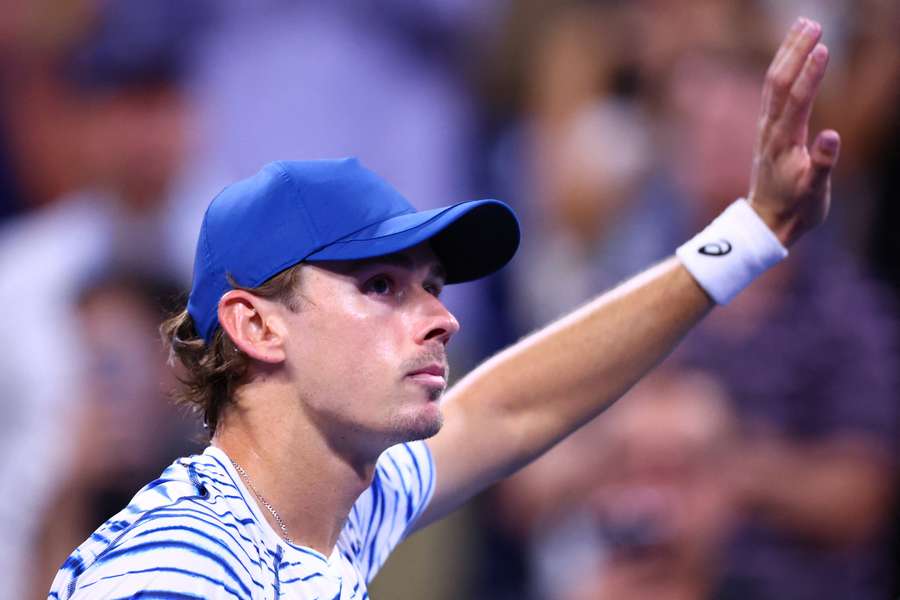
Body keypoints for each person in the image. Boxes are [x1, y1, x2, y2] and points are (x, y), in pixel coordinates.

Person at [48, 18, 840, 598]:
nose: (441, 319)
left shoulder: (328, 504)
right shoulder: (179, 574)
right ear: (257, 326)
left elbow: (509, 407)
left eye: (431, 286)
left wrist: (750, 235)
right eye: (381, 287)